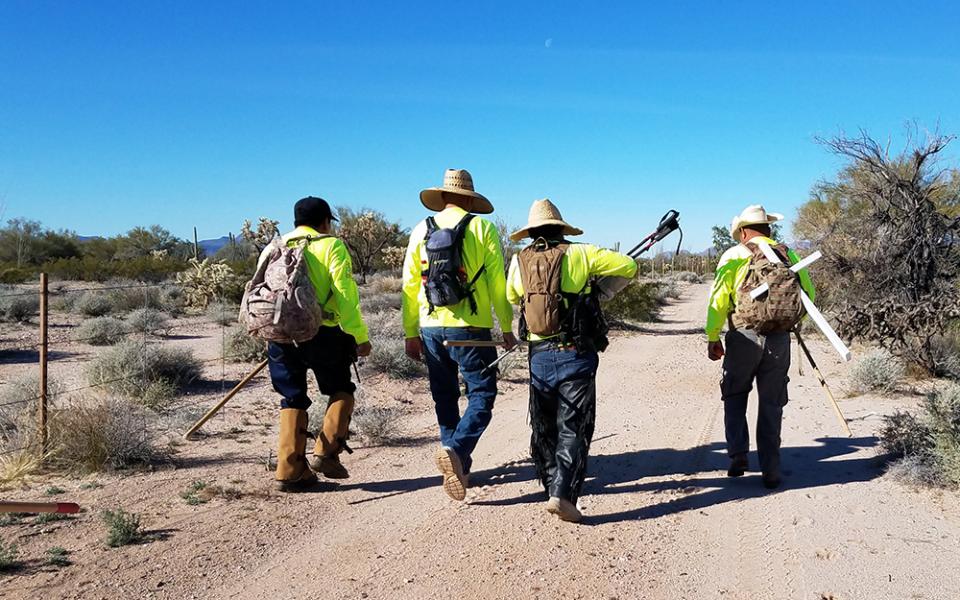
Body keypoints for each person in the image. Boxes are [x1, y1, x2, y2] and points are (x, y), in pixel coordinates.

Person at [506, 199, 638, 522]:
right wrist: (597, 291)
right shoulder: (580, 253)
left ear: (532, 231)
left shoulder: (518, 261)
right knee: (574, 425)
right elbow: (629, 267)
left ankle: (552, 484)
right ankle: (562, 492)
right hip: (574, 353)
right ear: (561, 228)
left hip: (538, 356)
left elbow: (512, 297)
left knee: (544, 425)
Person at [401, 169, 517, 501]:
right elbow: (497, 283)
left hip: (430, 326)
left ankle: (457, 463)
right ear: (469, 198)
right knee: (482, 394)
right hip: (471, 328)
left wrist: (410, 332)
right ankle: (457, 450)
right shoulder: (482, 227)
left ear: (442, 196)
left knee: (445, 397)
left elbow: (410, 286)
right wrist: (506, 327)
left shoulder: (420, 230)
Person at [265, 197, 372, 492]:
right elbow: (346, 295)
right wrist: (358, 336)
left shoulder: (274, 246)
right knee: (341, 388)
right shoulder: (331, 246)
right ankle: (326, 453)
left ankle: (289, 470)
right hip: (322, 333)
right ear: (326, 221)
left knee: (292, 397)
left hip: (279, 334)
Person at [705, 204, 815, 489]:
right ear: (768, 228)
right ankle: (771, 468)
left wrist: (713, 336)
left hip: (744, 335)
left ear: (743, 231)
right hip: (779, 339)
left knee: (734, 393)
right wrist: (785, 321)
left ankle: (738, 455)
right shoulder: (787, 254)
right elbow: (809, 295)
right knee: (771, 402)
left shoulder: (734, 255)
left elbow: (718, 299)